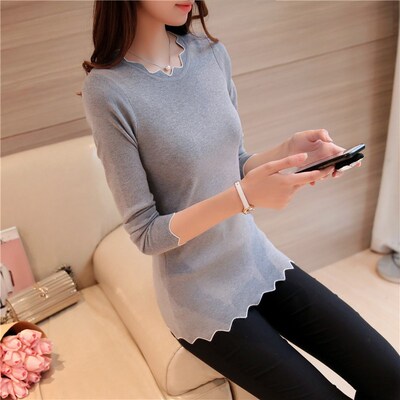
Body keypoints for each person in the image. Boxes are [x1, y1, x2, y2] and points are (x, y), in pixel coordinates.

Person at [79, 1, 400, 399]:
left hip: (256, 260)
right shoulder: (107, 91)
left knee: (391, 377)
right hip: (201, 301)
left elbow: (235, 163)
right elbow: (147, 233)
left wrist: (290, 151)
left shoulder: (210, 54)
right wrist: (243, 197)